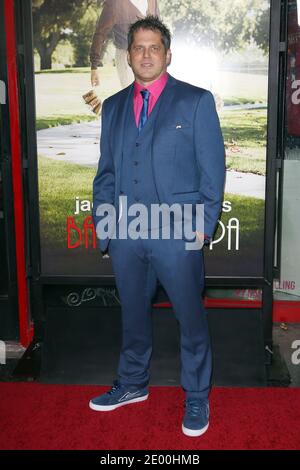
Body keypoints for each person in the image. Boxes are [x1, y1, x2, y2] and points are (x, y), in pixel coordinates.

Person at [91, 16, 225, 437]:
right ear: (128, 55)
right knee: (133, 314)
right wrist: (105, 223)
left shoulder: (196, 101)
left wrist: (202, 225)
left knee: (190, 318)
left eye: (154, 47)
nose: (145, 55)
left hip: (179, 232)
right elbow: (106, 173)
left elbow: (213, 170)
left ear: (168, 54)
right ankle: (132, 384)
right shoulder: (112, 107)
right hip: (127, 233)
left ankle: (198, 396)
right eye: (138, 47)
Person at [90, 0, 159, 88]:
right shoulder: (115, 3)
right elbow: (100, 33)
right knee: (133, 97)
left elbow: (159, 29)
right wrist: (94, 66)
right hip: (127, 58)